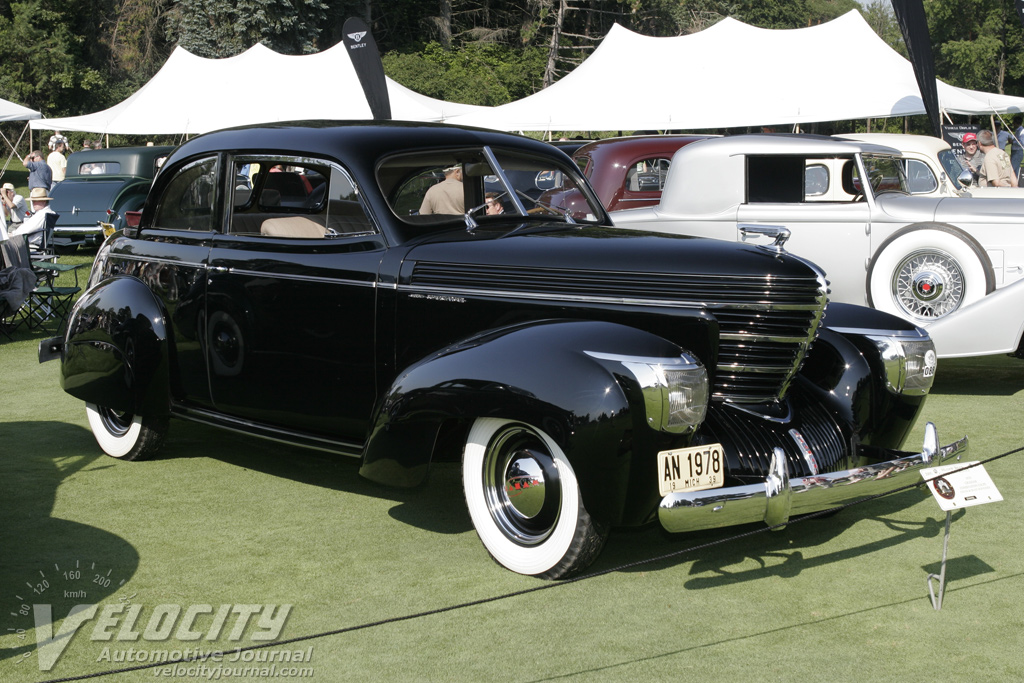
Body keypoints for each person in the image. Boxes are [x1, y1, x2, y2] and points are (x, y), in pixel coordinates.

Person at [1011, 115, 1024, 180]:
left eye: (1013, 122)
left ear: (1016, 123)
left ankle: (1014, 184)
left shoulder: (1021, 131)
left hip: (1018, 152)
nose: (1013, 124)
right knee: (1015, 170)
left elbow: (1022, 143)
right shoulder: (1017, 130)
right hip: (1015, 152)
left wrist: (1013, 142)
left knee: (1012, 169)